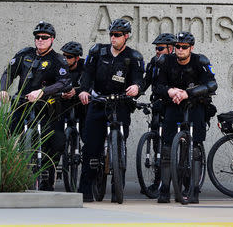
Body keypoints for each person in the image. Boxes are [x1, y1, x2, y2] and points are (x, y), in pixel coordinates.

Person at [0, 21, 72, 191]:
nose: (40, 40)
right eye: (37, 37)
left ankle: (47, 180)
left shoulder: (57, 60)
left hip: (46, 107)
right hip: (22, 103)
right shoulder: (25, 54)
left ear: (52, 39)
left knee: (54, 142)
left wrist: (42, 92)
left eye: (44, 38)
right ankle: (4, 171)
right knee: (5, 131)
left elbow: (64, 83)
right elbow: (8, 73)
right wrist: (3, 90)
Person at [77, 18, 145, 203]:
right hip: (98, 101)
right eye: (111, 35)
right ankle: (85, 191)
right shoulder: (98, 51)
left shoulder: (134, 57)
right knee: (91, 147)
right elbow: (87, 74)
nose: (113, 38)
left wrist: (137, 88)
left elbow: (139, 80)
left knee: (120, 147)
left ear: (126, 36)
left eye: (117, 35)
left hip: (120, 104)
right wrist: (83, 90)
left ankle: (117, 192)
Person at [154, 31, 217, 204]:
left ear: (191, 48)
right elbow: (157, 86)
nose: (180, 50)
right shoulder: (166, 61)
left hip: (195, 105)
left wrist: (187, 93)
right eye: (177, 47)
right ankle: (165, 190)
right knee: (167, 148)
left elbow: (211, 84)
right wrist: (171, 91)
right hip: (172, 105)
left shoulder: (200, 61)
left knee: (195, 148)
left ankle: (194, 190)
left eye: (184, 47)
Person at [141, 33, 176, 194]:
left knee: (173, 143)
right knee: (157, 143)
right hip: (157, 105)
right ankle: (158, 181)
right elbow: (145, 82)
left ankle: (184, 178)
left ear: (171, 48)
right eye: (156, 48)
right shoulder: (153, 63)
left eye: (160, 48)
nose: (157, 51)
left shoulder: (176, 63)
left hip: (172, 106)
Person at [60, 41, 87, 142]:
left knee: (86, 136)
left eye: (69, 57)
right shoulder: (60, 66)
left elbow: (89, 84)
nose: (65, 59)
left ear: (77, 58)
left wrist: (77, 91)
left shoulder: (85, 67)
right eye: (64, 56)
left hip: (82, 104)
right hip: (64, 103)